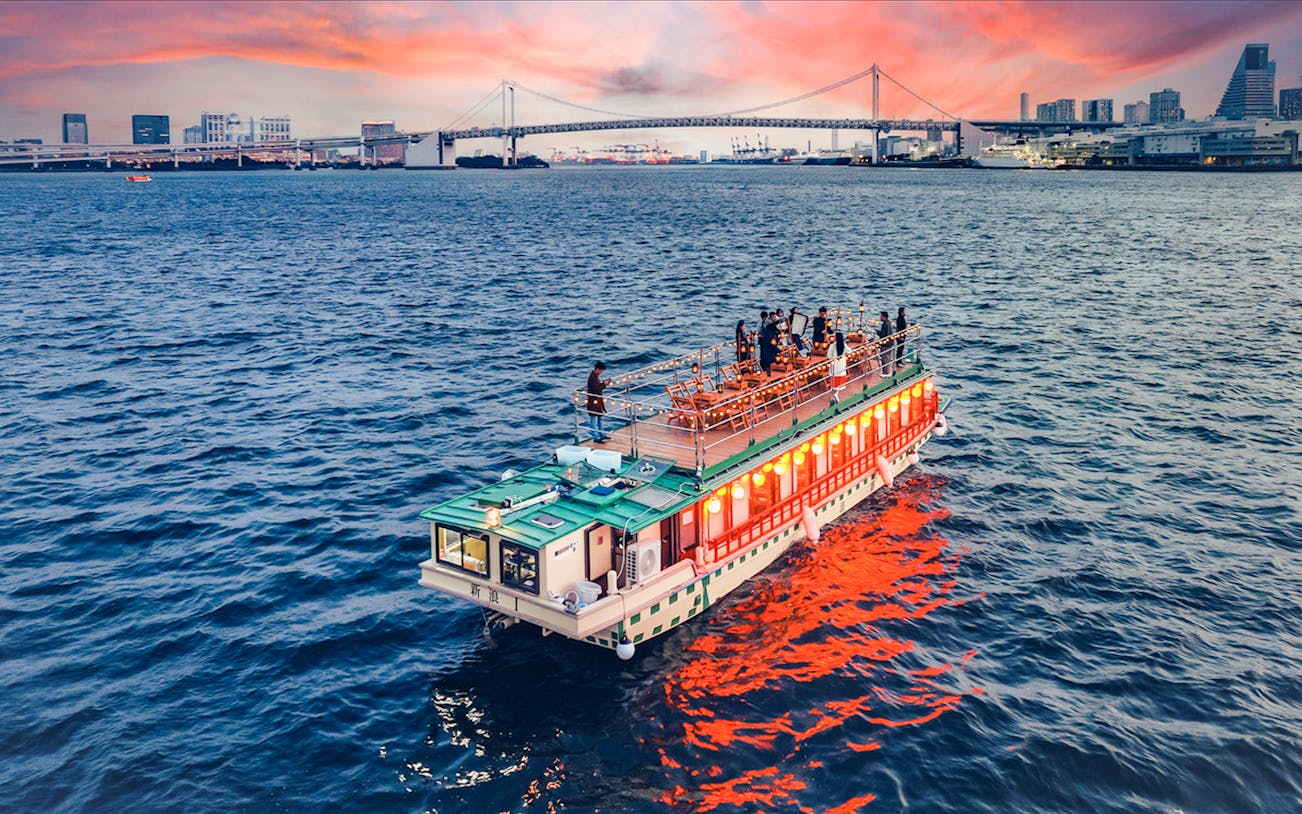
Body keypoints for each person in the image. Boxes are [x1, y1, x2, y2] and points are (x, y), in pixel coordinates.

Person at [586, 362, 610, 443]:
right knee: (593, 420)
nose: (601, 372)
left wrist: (603, 384)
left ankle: (602, 435)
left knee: (599, 419)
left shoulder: (595, 377)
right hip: (593, 402)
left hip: (597, 401)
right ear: (597, 369)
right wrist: (603, 384)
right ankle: (596, 437)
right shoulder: (592, 377)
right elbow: (596, 389)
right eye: (601, 370)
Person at [828, 331, 847, 402]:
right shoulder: (844, 345)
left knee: (833, 381)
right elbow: (850, 351)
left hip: (834, 365)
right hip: (841, 365)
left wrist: (833, 357)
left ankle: (832, 396)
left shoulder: (832, 346)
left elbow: (829, 356)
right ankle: (837, 394)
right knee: (839, 381)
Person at [876, 310, 892, 376]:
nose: (880, 318)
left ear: (884, 317)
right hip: (889, 343)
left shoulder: (886, 324)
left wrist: (878, 332)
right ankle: (887, 371)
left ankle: (886, 372)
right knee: (887, 357)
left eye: (881, 316)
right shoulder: (888, 323)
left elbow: (885, 335)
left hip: (886, 344)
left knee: (885, 358)